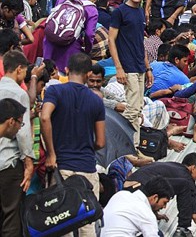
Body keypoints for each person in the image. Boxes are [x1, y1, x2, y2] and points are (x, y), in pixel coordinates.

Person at [40, 53, 105, 237]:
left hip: (61, 168)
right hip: (87, 169)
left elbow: (44, 117)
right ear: (88, 74)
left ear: (67, 70)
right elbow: (100, 142)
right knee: (87, 224)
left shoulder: (55, 92)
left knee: (61, 224)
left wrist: (51, 154)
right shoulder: (96, 100)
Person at [109, 0, 153, 159]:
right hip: (127, 66)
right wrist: (119, 67)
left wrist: (148, 67)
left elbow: (139, 41)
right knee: (133, 109)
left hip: (139, 65)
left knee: (137, 109)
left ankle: (133, 148)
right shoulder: (120, 12)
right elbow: (111, 39)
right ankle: (120, 145)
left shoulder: (140, 11)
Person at [125, 153, 196, 237]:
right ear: (193, 168)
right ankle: (183, 229)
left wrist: (154, 213)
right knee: (185, 185)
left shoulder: (173, 166)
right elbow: (195, 214)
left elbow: (152, 187)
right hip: (139, 190)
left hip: (126, 189)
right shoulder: (187, 178)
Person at [0, 50, 37, 236]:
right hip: (10, 163)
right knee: (11, 216)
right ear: (19, 69)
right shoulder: (19, 93)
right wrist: (29, 163)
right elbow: (22, 134)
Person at [101, 175, 174, 237]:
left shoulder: (121, 194)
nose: (164, 207)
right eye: (164, 202)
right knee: (159, 234)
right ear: (155, 197)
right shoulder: (146, 213)